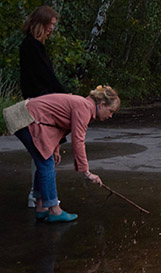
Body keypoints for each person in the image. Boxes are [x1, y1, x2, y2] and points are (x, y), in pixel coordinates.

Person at [15, 86, 120, 223]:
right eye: (110, 111)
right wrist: (86, 171)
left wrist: (56, 148)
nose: (110, 116)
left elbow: (59, 122)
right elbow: (78, 140)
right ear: (101, 105)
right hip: (27, 119)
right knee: (46, 164)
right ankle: (54, 210)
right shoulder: (84, 107)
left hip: (27, 117)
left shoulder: (83, 105)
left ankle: (41, 207)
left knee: (45, 162)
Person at [19, 6, 68, 209]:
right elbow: (44, 78)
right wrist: (66, 96)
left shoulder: (35, 46)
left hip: (43, 100)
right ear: (41, 22)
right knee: (44, 155)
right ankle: (45, 202)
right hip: (40, 104)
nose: (51, 29)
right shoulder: (31, 46)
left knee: (44, 154)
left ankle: (39, 201)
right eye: (50, 24)